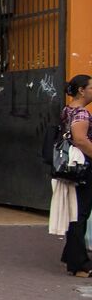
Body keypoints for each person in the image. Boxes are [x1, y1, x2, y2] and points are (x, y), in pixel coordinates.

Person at [59, 75, 92, 276]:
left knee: (76, 211)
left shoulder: (68, 109)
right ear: (81, 90)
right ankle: (79, 263)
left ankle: (71, 255)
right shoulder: (81, 113)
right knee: (80, 213)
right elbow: (80, 140)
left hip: (72, 166)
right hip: (83, 166)